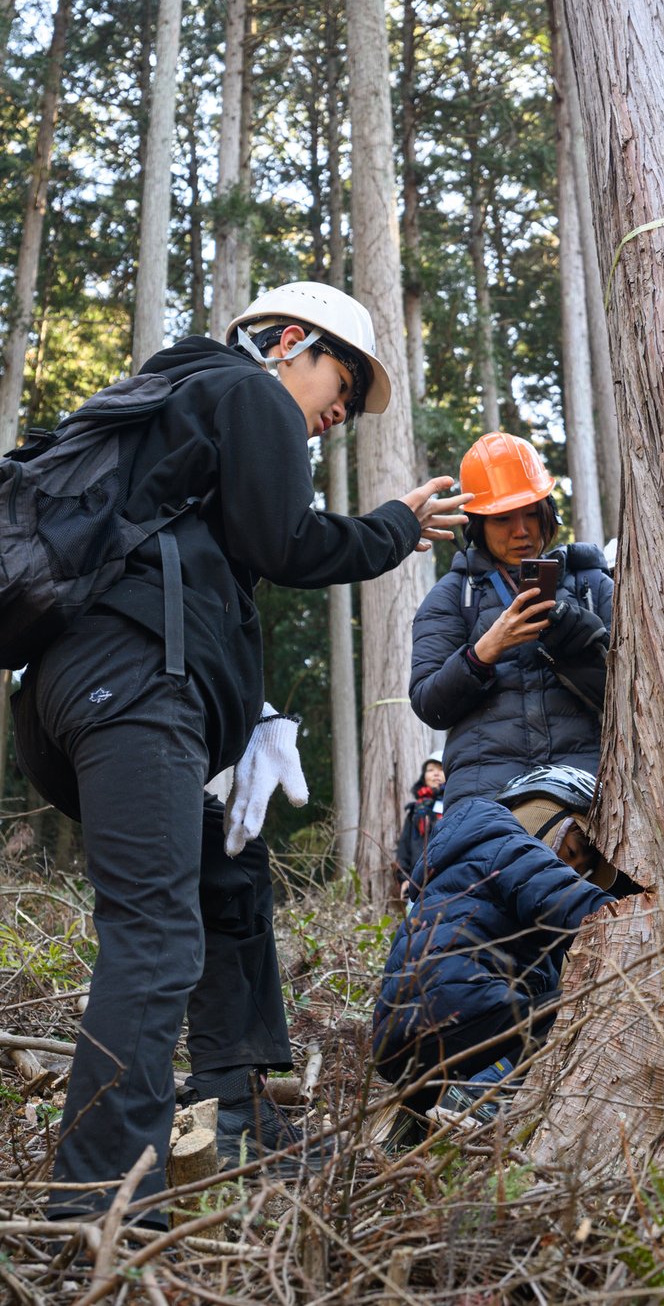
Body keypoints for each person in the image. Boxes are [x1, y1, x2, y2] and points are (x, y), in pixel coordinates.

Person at [10, 280, 467, 1226]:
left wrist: (244, 717)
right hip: (134, 688)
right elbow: (289, 542)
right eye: (341, 377)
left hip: (96, 696)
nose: (339, 411)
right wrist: (393, 525)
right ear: (289, 340)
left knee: (230, 873)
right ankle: (98, 1204)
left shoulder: (173, 420)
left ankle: (243, 1115)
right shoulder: (245, 389)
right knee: (153, 936)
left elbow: (205, 567)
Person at [371, 765, 617, 1146]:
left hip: (402, 1039)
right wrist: (632, 915)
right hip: (456, 1008)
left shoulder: (467, 865)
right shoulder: (508, 844)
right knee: (569, 1012)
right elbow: (572, 902)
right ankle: (475, 1104)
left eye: (581, 870)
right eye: (571, 852)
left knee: (525, 1014)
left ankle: (409, 1132)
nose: (572, 869)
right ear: (543, 814)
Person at [409, 432, 614, 809]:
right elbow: (429, 704)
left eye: (532, 512)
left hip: (587, 788)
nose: (521, 530)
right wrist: (484, 652)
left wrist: (581, 646)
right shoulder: (453, 595)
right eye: (502, 518)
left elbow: (640, 698)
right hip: (485, 798)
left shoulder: (591, 584)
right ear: (477, 526)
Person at [394, 751, 446, 889]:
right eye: (430, 770)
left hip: (450, 874)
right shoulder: (416, 811)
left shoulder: (454, 805)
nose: (436, 773)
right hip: (419, 880)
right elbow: (404, 848)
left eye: (441, 769)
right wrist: (404, 879)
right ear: (424, 777)